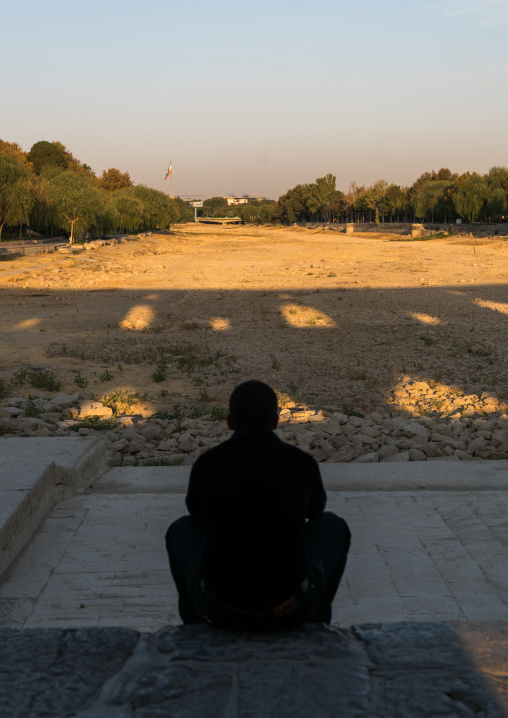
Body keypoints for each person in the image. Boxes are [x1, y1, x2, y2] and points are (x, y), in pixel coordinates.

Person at [166, 380, 351, 630]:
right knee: (333, 525)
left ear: (230, 421)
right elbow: (316, 513)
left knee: (180, 529)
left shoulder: (208, 464)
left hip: (221, 609)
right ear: (275, 421)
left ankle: (195, 622)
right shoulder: (301, 463)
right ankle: (316, 619)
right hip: (289, 609)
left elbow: (195, 515)